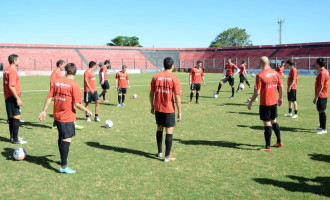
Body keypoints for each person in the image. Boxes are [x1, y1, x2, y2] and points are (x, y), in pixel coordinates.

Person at [39, 63, 92, 173]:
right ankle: (63, 166)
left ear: (66, 72)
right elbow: (77, 104)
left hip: (57, 115)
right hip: (67, 116)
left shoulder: (56, 82)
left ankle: (62, 159)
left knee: (61, 136)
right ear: (75, 73)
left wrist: (44, 111)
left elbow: (49, 97)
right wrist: (86, 110)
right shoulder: (75, 85)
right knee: (67, 139)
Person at [248, 56, 283, 152]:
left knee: (267, 123)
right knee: (274, 121)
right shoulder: (275, 73)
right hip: (274, 101)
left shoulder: (260, 75)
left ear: (261, 63)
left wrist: (250, 102)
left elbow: (257, 93)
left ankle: (268, 147)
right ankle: (279, 141)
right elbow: (281, 86)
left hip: (265, 103)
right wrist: (280, 98)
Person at [149, 57, 182, 162]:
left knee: (159, 129)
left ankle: (159, 152)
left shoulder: (156, 76)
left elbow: (151, 93)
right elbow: (177, 97)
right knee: (169, 131)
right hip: (169, 109)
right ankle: (167, 156)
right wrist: (180, 112)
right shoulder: (174, 78)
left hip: (158, 108)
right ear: (172, 66)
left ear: (164, 65)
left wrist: (152, 106)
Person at [3, 54, 27, 144]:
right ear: (14, 61)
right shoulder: (12, 71)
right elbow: (11, 86)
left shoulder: (6, 70)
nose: (19, 61)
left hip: (8, 97)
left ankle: (13, 137)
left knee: (11, 117)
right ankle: (15, 139)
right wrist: (18, 98)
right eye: (18, 60)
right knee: (16, 116)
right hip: (12, 97)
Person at [313, 58, 329, 135]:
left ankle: (324, 128)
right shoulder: (325, 71)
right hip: (323, 94)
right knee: (320, 111)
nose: (315, 65)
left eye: (316, 63)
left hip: (321, 95)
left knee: (322, 111)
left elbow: (321, 86)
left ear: (318, 64)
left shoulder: (322, 73)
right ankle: (321, 126)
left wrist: (316, 97)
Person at [50, 60, 65, 129]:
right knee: (57, 108)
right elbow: (51, 84)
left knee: (61, 107)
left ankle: (59, 122)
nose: (64, 67)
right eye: (63, 65)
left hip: (61, 92)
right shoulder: (55, 73)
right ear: (60, 65)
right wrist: (52, 95)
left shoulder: (60, 72)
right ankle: (55, 123)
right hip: (56, 93)